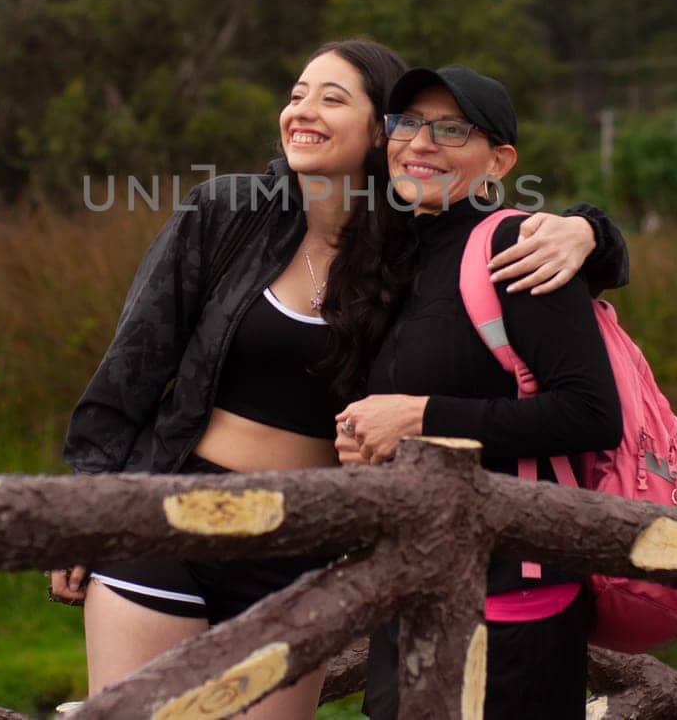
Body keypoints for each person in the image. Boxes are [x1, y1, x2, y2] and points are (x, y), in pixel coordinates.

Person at [55, 40, 629, 719]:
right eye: (297, 93)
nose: (304, 109)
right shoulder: (227, 215)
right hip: (173, 516)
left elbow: (508, 250)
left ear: (373, 131)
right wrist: (82, 513)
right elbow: (130, 367)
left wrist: (591, 230)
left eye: (333, 98)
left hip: (303, 543)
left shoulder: (409, 245)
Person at [335, 65, 624, 720]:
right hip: (412, 589)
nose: (421, 143)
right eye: (406, 124)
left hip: (512, 604)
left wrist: (420, 418)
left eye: (451, 129)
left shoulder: (517, 247)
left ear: (499, 160)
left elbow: (590, 412)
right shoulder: (394, 257)